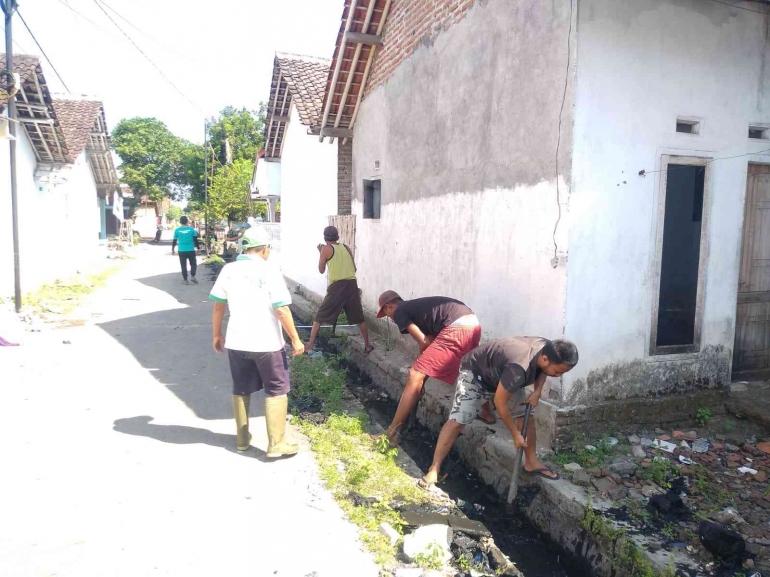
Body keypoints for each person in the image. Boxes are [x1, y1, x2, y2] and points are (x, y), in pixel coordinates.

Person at [419, 337, 579, 489]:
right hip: (475, 374)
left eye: (562, 373)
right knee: (458, 420)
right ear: (545, 359)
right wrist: (515, 434)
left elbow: (544, 371)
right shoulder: (519, 368)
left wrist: (537, 391)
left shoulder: (548, 348)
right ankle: (434, 468)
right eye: (558, 372)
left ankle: (531, 462)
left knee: (525, 414)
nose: (558, 376)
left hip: (502, 374)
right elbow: (500, 402)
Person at [209, 227, 305, 457]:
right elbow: (281, 309)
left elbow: (218, 305)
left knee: (241, 389)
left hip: (237, 341)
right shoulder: (270, 270)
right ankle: (276, 444)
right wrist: (295, 338)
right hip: (267, 343)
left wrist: (216, 334)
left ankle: (242, 440)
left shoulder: (229, 270)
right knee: (277, 390)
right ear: (264, 249)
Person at [376, 290, 494, 446]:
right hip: (472, 324)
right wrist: (422, 377)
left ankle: (391, 435)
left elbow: (424, 343)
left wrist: (419, 378)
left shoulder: (400, 311)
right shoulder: (420, 309)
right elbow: (429, 343)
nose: (390, 318)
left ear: (388, 307)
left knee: (414, 375)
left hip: (457, 327)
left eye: (387, 315)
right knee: (469, 369)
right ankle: (486, 411)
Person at [306, 226, 373, 354]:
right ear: (337, 237)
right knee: (359, 317)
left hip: (337, 286)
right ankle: (367, 345)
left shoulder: (326, 249)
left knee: (320, 316)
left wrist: (321, 254)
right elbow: (354, 268)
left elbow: (321, 270)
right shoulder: (346, 247)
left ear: (325, 238)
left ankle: (309, 345)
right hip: (352, 284)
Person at [172, 216, 201, 284]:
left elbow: (174, 240)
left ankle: (185, 280)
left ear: (180, 222)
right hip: (190, 249)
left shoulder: (177, 230)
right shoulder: (191, 230)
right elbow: (195, 240)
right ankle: (193, 276)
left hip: (181, 250)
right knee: (193, 264)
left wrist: (173, 249)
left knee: (183, 265)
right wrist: (198, 248)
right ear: (187, 221)